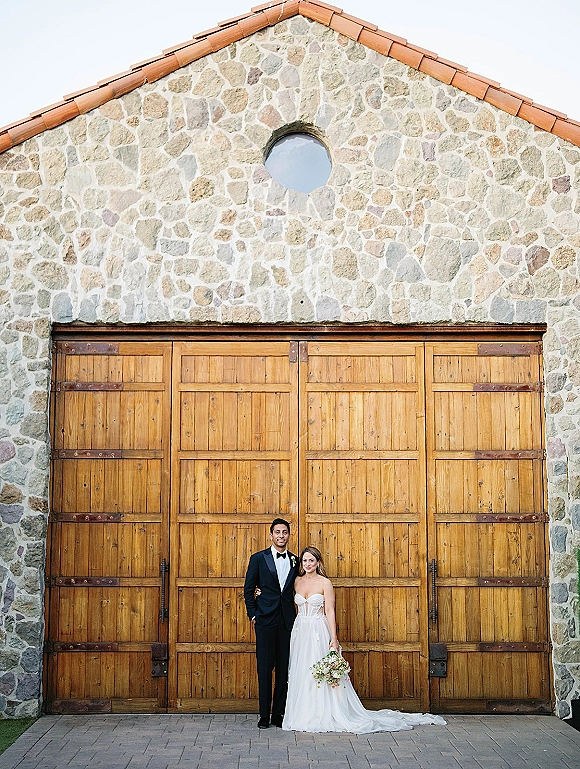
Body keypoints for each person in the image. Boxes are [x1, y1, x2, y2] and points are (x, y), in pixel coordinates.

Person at [281, 546, 447, 733]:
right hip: (300, 630)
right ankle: (303, 713)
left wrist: (334, 638)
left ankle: (324, 713)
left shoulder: (325, 583)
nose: (308, 564)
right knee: (301, 669)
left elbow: (330, 610)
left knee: (319, 668)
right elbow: (281, 597)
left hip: (318, 629)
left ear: (318, 562)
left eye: (311, 560)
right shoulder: (296, 581)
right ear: (301, 563)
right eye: (305, 561)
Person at [243, 518, 299, 729]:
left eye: (284, 532)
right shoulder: (258, 558)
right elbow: (248, 589)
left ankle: (279, 715)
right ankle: (264, 716)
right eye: (277, 532)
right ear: (271, 535)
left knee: (284, 670)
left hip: (287, 622)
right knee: (264, 669)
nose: (281, 536)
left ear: (288, 535)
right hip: (265, 620)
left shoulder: (295, 560)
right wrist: (253, 614)